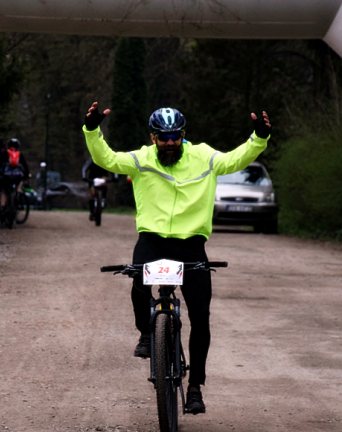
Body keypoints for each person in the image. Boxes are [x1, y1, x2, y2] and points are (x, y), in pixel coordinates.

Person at [83, 102, 271, 414]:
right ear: (152, 137)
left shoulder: (203, 157)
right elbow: (107, 159)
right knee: (138, 285)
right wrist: (92, 130)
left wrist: (259, 137)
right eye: (162, 137)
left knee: (200, 316)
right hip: (153, 240)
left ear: (183, 135)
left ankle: (195, 387)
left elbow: (236, 159)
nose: (169, 143)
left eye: (175, 137)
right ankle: (146, 334)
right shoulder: (142, 160)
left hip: (191, 243)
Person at [0, 138, 30, 211]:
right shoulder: (19, 154)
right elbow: (25, 165)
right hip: (17, 176)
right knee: (19, 183)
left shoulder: (5, 153)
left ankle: (3, 207)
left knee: (4, 191)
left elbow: (0, 164)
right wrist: (27, 174)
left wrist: (0, 173)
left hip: (7, 176)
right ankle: (17, 194)